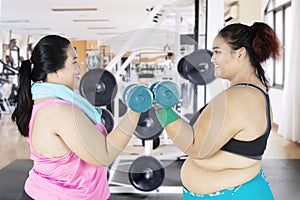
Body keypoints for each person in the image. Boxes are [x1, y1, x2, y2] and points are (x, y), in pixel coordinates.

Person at [155, 22, 280, 199]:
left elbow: (195, 147)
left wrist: (162, 110)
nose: (212, 58)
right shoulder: (252, 92)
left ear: (240, 54)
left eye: (217, 51)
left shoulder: (240, 97)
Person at [11, 35, 141, 200]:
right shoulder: (60, 111)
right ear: (55, 71)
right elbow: (104, 154)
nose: (79, 68)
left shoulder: (43, 101)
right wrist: (135, 112)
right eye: (74, 62)